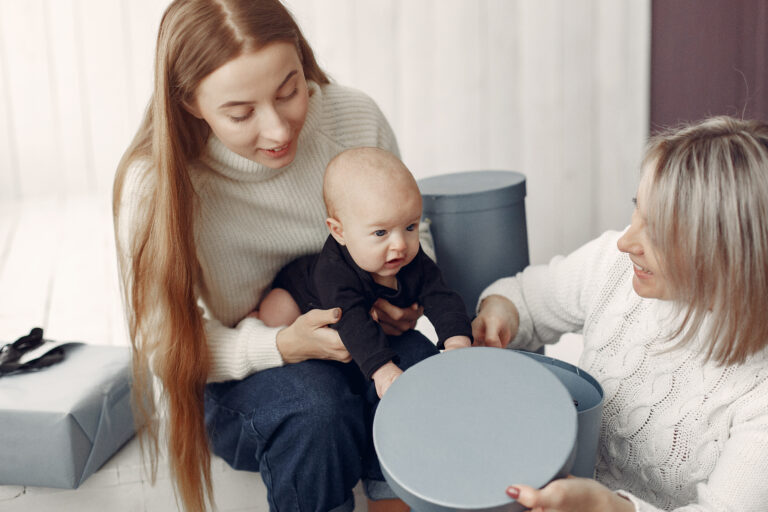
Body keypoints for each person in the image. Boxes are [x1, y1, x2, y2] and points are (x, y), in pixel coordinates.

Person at [112, 1, 436, 510]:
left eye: (289, 90)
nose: (280, 130)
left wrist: (403, 297)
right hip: (248, 372)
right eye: (240, 114)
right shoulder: (155, 184)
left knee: (421, 374)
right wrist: (279, 346)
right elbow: (164, 343)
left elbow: (414, 231)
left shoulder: (352, 117)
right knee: (317, 408)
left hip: (367, 347)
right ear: (190, 103)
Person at [472, 116, 768, 512]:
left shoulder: (758, 391)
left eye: (658, 231)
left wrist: (611, 508)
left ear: (728, 255)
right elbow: (523, 297)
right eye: (636, 209)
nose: (628, 241)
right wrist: (500, 314)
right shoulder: (610, 266)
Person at [258, 147, 472, 399]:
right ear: (339, 232)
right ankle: (258, 318)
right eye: (381, 233)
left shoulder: (409, 258)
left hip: (364, 316)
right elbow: (353, 322)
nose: (400, 244)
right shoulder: (333, 271)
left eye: (410, 226)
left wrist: (457, 342)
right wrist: (383, 371)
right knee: (276, 314)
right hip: (301, 295)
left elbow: (442, 297)